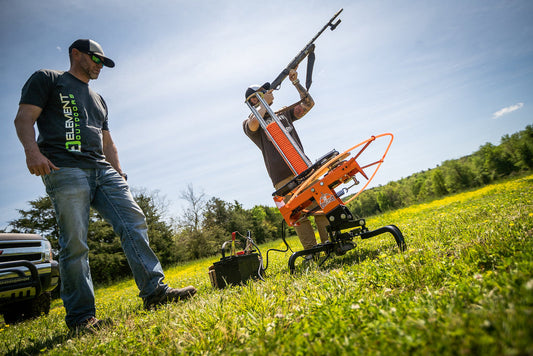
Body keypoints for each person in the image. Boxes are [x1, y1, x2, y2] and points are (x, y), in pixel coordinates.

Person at [14, 39, 196, 333]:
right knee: (75, 242)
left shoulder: (99, 100)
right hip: (65, 167)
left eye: (103, 62)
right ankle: (81, 318)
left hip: (102, 169)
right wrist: (32, 151)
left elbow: (108, 142)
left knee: (134, 220)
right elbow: (24, 117)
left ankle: (156, 293)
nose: (100, 65)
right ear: (76, 54)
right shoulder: (48, 79)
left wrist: (119, 173)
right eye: (96, 59)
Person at [243, 69, 330, 251]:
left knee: (322, 206)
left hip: (304, 168)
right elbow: (252, 124)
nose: (269, 94)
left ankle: (330, 245)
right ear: (253, 100)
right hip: (282, 177)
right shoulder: (250, 122)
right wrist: (263, 104)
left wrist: (295, 82)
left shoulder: (282, 113)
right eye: (263, 93)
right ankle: (312, 253)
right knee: (300, 217)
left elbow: (308, 103)